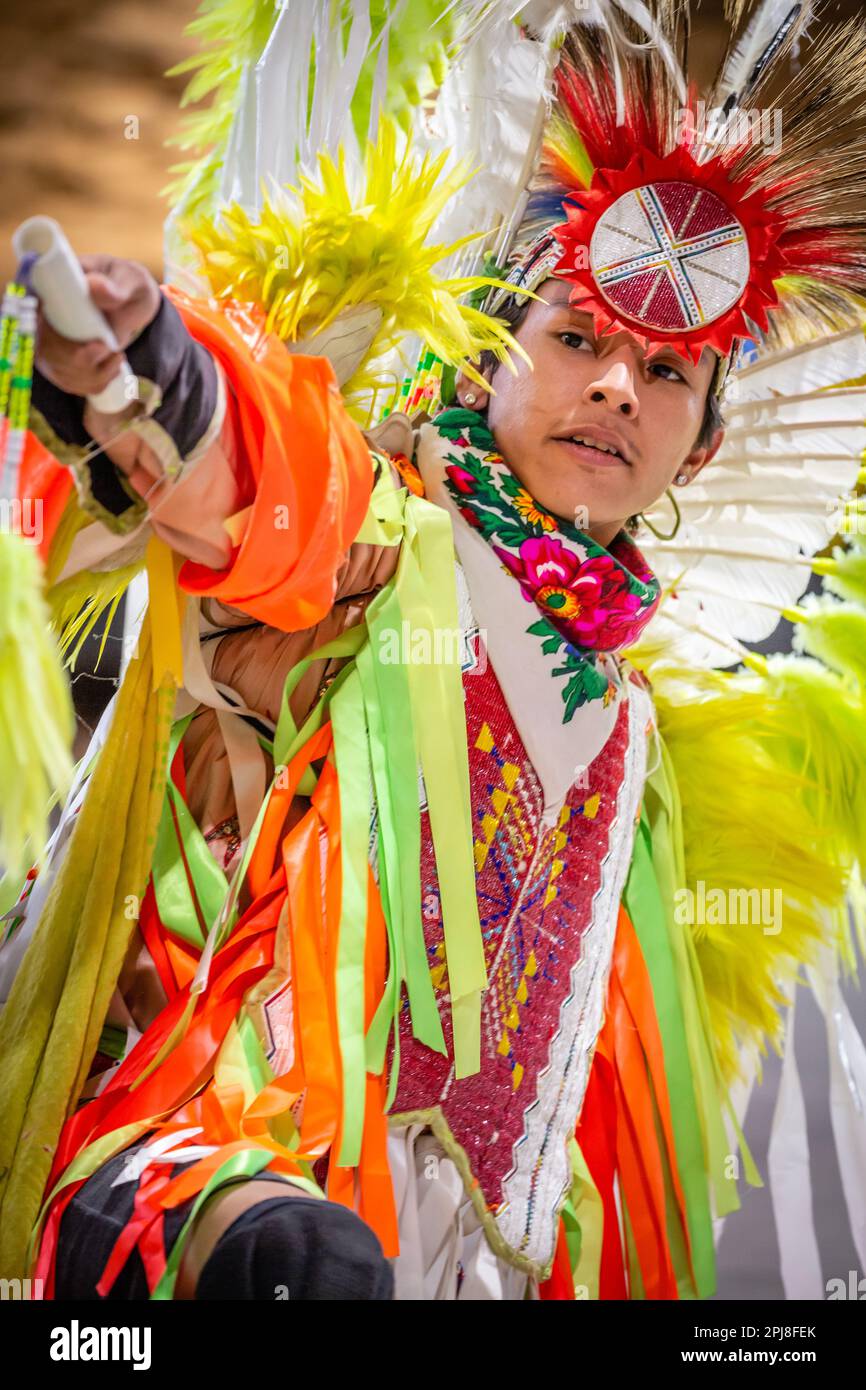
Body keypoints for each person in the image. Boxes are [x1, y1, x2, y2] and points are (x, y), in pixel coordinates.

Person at [1, 0, 866, 1302]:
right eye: (575, 338)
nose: (618, 387)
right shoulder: (385, 532)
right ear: (485, 355)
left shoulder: (639, 738)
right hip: (209, 1173)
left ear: (696, 447)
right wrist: (163, 383)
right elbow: (257, 479)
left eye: (667, 374)